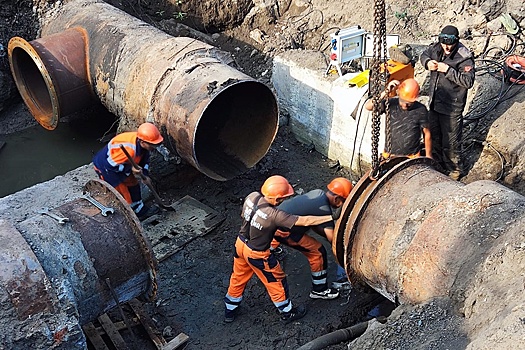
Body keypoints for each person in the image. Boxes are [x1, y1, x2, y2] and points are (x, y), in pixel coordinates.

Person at [224, 175, 334, 323]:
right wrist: (330, 218)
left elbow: (244, 215)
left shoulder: (252, 197)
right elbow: (305, 221)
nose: (283, 201)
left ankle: (230, 310)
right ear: (276, 199)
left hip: (240, 243)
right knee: (276, 281)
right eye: (283, 198)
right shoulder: (274, 215)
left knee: (238, 277)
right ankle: (287, 312)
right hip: (257, 254)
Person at [272, 177, 353, 299]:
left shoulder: (317, 194)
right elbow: (334, 241)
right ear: (337, 199)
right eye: (343, 202)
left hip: (272, 222)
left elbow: (314, 224)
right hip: (284, 232)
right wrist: (346, 251)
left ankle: (271, 248)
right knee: (318, 252)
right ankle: (319, 290)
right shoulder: (324, 210)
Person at [420, 25, 475, 180]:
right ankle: (437, 165)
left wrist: (448, 71)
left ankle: (455, 170)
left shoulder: (464, 56)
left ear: (456, 41)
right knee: (434, 136)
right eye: (444, 44)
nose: (447, 47)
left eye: (450, 44)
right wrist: (427, 62)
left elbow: (468, 81)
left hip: (452, 107)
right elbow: (424, 54)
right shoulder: (437, 47)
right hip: (435, 103)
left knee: (451, 142)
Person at [93, 122, 163, 220]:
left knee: (133, 185)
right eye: (152, 145)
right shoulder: (129, 149)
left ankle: (140, 210)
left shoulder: (143, 144)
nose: (154, 147)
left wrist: (145, 175)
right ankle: (129, 217)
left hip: (122, 165)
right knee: (123, 195)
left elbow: (145, 160)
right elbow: (111, 165)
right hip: (106, 168)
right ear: (142, 142)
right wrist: (131, 169)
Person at [364, 78, 432, 159]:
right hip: (390, 155)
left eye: (409, 103)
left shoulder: (420, 110)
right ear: (399, 94)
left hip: (411, 156)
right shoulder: (391, 104)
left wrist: (428, 155)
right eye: (403, 101)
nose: (405, 105)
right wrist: (386, 91)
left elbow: (427, 133)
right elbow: (368, 106)